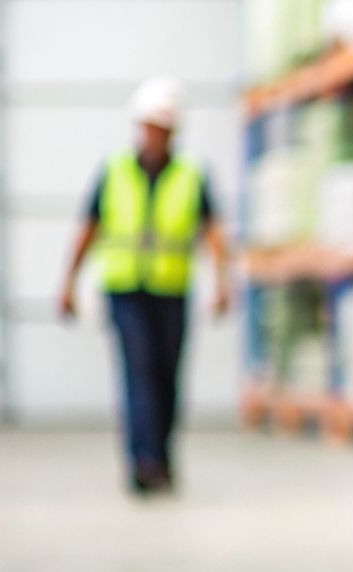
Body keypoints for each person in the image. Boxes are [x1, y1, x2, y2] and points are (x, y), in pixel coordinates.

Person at [58, 77, 232, 495]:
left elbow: (212, 232)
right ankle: (144, 463)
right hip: (126, 288)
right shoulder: (115, 170)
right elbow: (89, 227)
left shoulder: (191, 175)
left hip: (171, 289)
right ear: (140, 127)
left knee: (167, 378)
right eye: (151, 126)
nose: (156, 134)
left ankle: (163, 459)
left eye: (164, 127)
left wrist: (224, 282)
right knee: (138, 374)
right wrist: (69, 281)